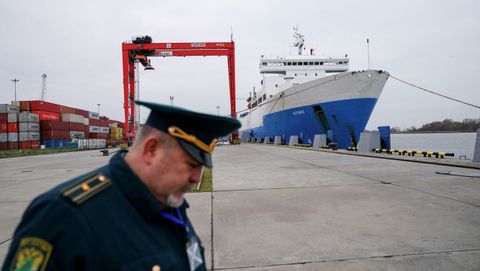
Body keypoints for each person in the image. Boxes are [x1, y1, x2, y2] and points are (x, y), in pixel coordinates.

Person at [2, 100, 241, 271]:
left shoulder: (168, 201)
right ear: (151, 149)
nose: (196, 179)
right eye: (190, 164)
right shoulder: (61, 218)